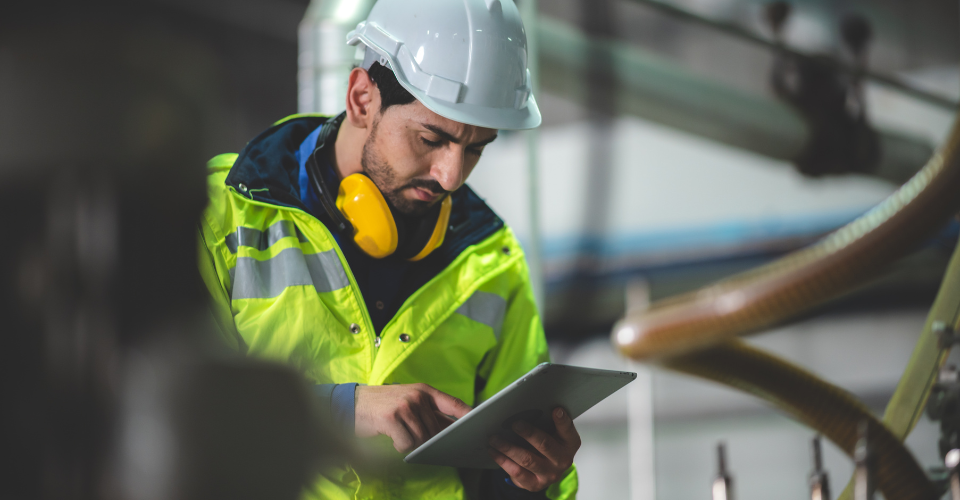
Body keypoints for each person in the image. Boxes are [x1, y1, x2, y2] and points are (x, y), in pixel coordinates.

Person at [197, 0, 580, 498]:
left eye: (476, 148)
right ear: (361, 99)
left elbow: (503, 476)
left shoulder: (490, 259)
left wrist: (533, 480)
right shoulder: (222, 214)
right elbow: (169, 415)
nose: (451, 175)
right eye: (430, 137)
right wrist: (342, 409)